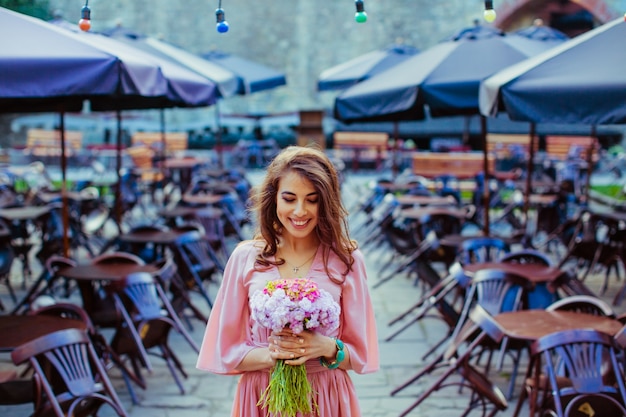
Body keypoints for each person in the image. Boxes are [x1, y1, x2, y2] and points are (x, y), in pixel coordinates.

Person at [196, 145, 379, 416]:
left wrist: (328, 347)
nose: (300, 211)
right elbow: (225, 350)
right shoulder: (245, 257)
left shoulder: (348, 260)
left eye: (312, 199)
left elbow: (361, 355)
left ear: (326, 202)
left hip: (325, 395)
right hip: (261, 396)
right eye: (289, 198)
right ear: (274, 199)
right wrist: (273, 356)